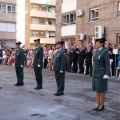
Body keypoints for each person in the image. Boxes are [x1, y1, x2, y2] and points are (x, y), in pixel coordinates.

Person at [92, 38, 110, 112]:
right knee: (97, 89)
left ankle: (101, 105)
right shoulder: (96, 51)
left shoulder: (104, 52)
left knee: (102, 90)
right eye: (96, 43)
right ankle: (98, 104)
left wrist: (106, 73)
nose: (96, 44)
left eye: (97, 43)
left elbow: (107, 63)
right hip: (95, 73)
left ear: (101, 44)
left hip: (101, 73)